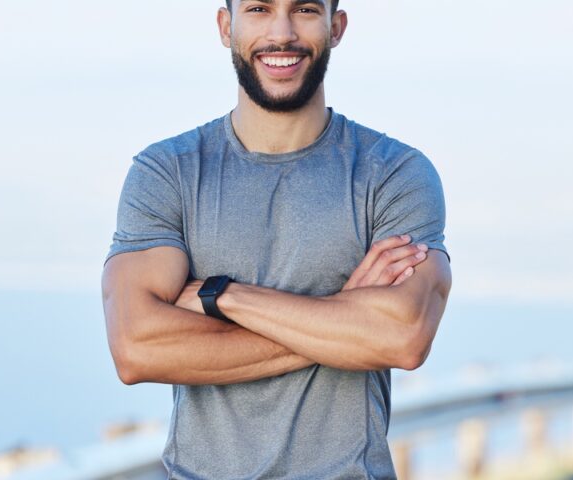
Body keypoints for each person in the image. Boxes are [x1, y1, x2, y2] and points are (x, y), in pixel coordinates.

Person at [101, 0, 452, 478]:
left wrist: (219, 295)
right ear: (227, 26)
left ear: (337, 26)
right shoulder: (168, 172)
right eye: (260, 9)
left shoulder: (393, 173)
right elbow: (137, 348)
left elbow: (403, 337)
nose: (282, 32)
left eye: (305, 9)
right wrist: (342, 317)